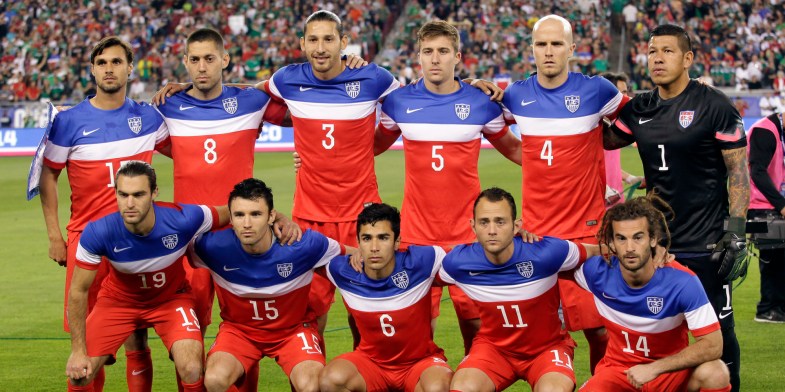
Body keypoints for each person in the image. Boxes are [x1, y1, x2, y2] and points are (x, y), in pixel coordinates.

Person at [606, 24, 750, 391]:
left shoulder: (713, 104)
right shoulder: (640, 108)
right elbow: (602, 139)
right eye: (652, 51)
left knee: (719, 330)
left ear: (687, 58)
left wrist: (734, 230)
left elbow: (738, 172)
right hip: (656, 245)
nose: (657, 58)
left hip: (706, 242)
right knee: (655, 331)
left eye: (667, 51)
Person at [374, 20, 521, 353]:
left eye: (442, 51)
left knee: (479, 332)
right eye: (428, 52)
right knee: (417, 332)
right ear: (418, 57)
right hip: (415, 234)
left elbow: (514, 149)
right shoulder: (398, 103)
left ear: (458, 56)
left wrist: (569, 163)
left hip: (468, 236)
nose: (435, 59)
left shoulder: (481, 103)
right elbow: (369, 147)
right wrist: (309, 159)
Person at [258, 10, 401, 341]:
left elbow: (406, 105)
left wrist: (369, 147)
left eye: (328, 39)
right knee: (308, 315)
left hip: (362, 219)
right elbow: (247, 94)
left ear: (344, 43)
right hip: (310, 219)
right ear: (302, 44)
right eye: (313, 40)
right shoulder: (287, 79)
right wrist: (189, 87)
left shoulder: (372, 77)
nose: (320, 48)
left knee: (365, 313)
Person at [500, 14, 629, 373]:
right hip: (536, 235)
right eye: (541, 44)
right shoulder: (515, 95)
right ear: (532, 50)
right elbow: (493, 127)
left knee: (601, 330)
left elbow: (640, 118)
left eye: (557, 44)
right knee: (539, 333)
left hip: (588, 231)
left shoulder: (597, 90)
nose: (549, 51)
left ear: (572, 49)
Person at [39, 36, 168, 391]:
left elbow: (191, 149)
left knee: (136, 338)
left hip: (137, 241)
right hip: (87, 242)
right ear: (92, 69)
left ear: (130, 68)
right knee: (86, 347)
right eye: (101, 63)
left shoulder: (147, 117)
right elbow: (48, 175)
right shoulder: (69, 121)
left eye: (116, 62)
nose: (108, 69)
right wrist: (55, 235)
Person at [65, 161, 229, 391]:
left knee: (191, 367)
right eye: (123, 195)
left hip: (171, 300)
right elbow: (78, 291)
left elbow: (231, 212)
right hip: (118, 303)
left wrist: (275, 217)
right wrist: (77, 351)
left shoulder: (182, 219)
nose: (129, 203)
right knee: (79, 375)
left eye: (138, 194)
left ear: (154, 193)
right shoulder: (98, 232)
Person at [190, 178, 351, 392]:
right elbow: (168, 243)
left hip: (292, 332)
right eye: (239, 215)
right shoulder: (211, 247)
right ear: (230, 217)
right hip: (239, 332)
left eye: (256, 214)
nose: (247, 224)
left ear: (271, 216)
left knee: (311, 385)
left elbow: (354, 256)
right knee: (215, 379)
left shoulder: (303, 244)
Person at [441, 188, 600, 392]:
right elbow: (418, 272)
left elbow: (598, 251)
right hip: (493, 350)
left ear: (516, 226)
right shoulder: (459, 262)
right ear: (473, 226)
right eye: (484, 222)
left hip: (547, 349)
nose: (491, 230)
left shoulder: (547, 252)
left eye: (500, 222)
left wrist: (653, 254)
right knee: (463, 387)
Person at [577, 195, 731, 392]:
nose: (630, 248)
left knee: (715, 372)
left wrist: (654, 368)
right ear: (611, 244)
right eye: (621, 239)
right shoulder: (595, 272)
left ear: (653, 239)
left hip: (669, 373)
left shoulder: (683, 282)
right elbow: (553, 255)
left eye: (638, 237)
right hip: (617, 373)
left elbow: (713, 345)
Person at [320, 203, 453, 392]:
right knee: (331, 380)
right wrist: (277, 224)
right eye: (367, 238)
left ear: (397, 241)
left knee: (438, 387)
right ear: (358, 242)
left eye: (383, 238)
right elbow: (302, 253)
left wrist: (508, 240)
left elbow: (466, 256)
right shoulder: (342, 270)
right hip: (371, 364)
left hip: (420, 363)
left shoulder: (422, 261)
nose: (374, 247)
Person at [746, 112, 785, 323]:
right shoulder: (765, 130)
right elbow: (757, 172)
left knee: (781, 259)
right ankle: (767, 308)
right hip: (762, 205)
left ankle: (778, 307)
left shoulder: (778, 131)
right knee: (772, 259)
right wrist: (782, 205)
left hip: (774, 203)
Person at [600, 72, 644, 208]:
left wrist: (630, 178)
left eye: (626, 92)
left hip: (616, 201)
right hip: (599, 204)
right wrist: (601, 189)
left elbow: (609, 165)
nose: (627, 97)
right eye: (622, 93)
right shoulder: (592, 128)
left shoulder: (617, 128)